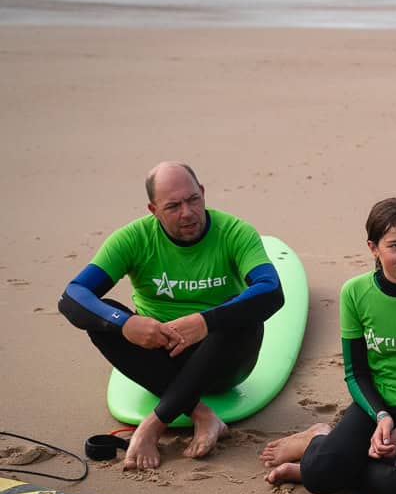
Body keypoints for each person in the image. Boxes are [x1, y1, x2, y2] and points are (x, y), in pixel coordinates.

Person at [59, 162, 284, 471]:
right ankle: (203, 415)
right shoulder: (134, 238)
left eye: (193, 200)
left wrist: (205, 321)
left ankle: (154, 424)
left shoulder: (234, 232)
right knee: (102, 321)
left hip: (222, 363)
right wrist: (125, 323)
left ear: (203, 193)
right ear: (153, 210)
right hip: (160, 360)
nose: (188, 213)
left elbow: (272, 290)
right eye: (173, 206)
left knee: (242, 312)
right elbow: (73, 296)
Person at [262, 197, 396, 494]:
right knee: (319, 476)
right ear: (373, 248)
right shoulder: (355, 293)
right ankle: (318, 439)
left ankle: (339, 463)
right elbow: (355, 372)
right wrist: (382, 417)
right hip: (376, 405)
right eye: (395, 246)